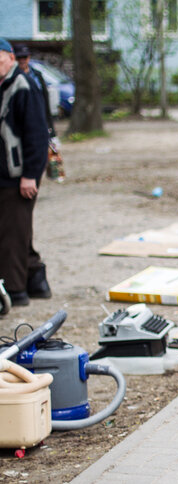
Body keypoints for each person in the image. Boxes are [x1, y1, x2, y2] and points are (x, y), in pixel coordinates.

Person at [0, 38, 51, 308]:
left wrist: (30, 174)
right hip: (5, 172)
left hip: (18, 173)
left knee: (13, 234)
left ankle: (15, 291)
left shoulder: (24, 86)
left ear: (9, 58)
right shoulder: (5, 83)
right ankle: (37, 282)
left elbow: (37, 135)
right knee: (17, 230)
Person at [13, 45, 54, 139]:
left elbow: (45, 101)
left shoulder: (37, 75)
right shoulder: (11, 77)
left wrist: (51, 128)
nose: (22, 60)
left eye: (25, 57)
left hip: (38, 118)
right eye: (19, 57)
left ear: (29, 57)